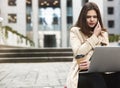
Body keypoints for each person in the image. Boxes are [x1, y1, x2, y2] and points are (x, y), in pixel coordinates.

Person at [65, 2, 120, 88]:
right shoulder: (75, 31)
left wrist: (93, 65)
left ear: (98, 18)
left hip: (101, 72)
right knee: (96, 77)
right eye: (88, 17)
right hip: (82, 73)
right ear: (83, 18)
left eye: (95, 17)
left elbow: (106, 57)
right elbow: (79, 53)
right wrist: (94, 36)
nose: (92, 19)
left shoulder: (103, 34)